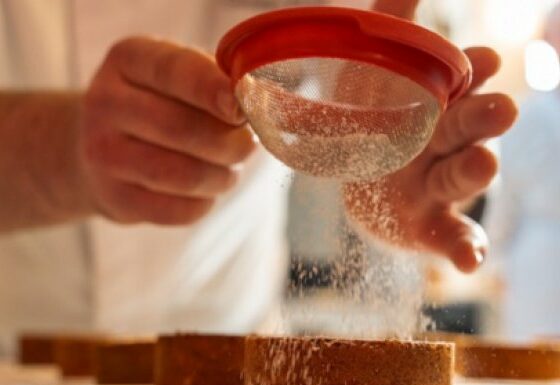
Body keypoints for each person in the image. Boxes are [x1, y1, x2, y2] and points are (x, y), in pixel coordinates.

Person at [0, 0, 517, 355]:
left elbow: (358, 57)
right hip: (15, 356)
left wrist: (395, 145)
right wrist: (57, 150)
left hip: (228, 356)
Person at [484, 3, 560, 341]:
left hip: (537, 257)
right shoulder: (529, 115)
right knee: (536, 360)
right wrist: (495, 257)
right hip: (539, 267)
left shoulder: (531, 113)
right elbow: (509, 195)